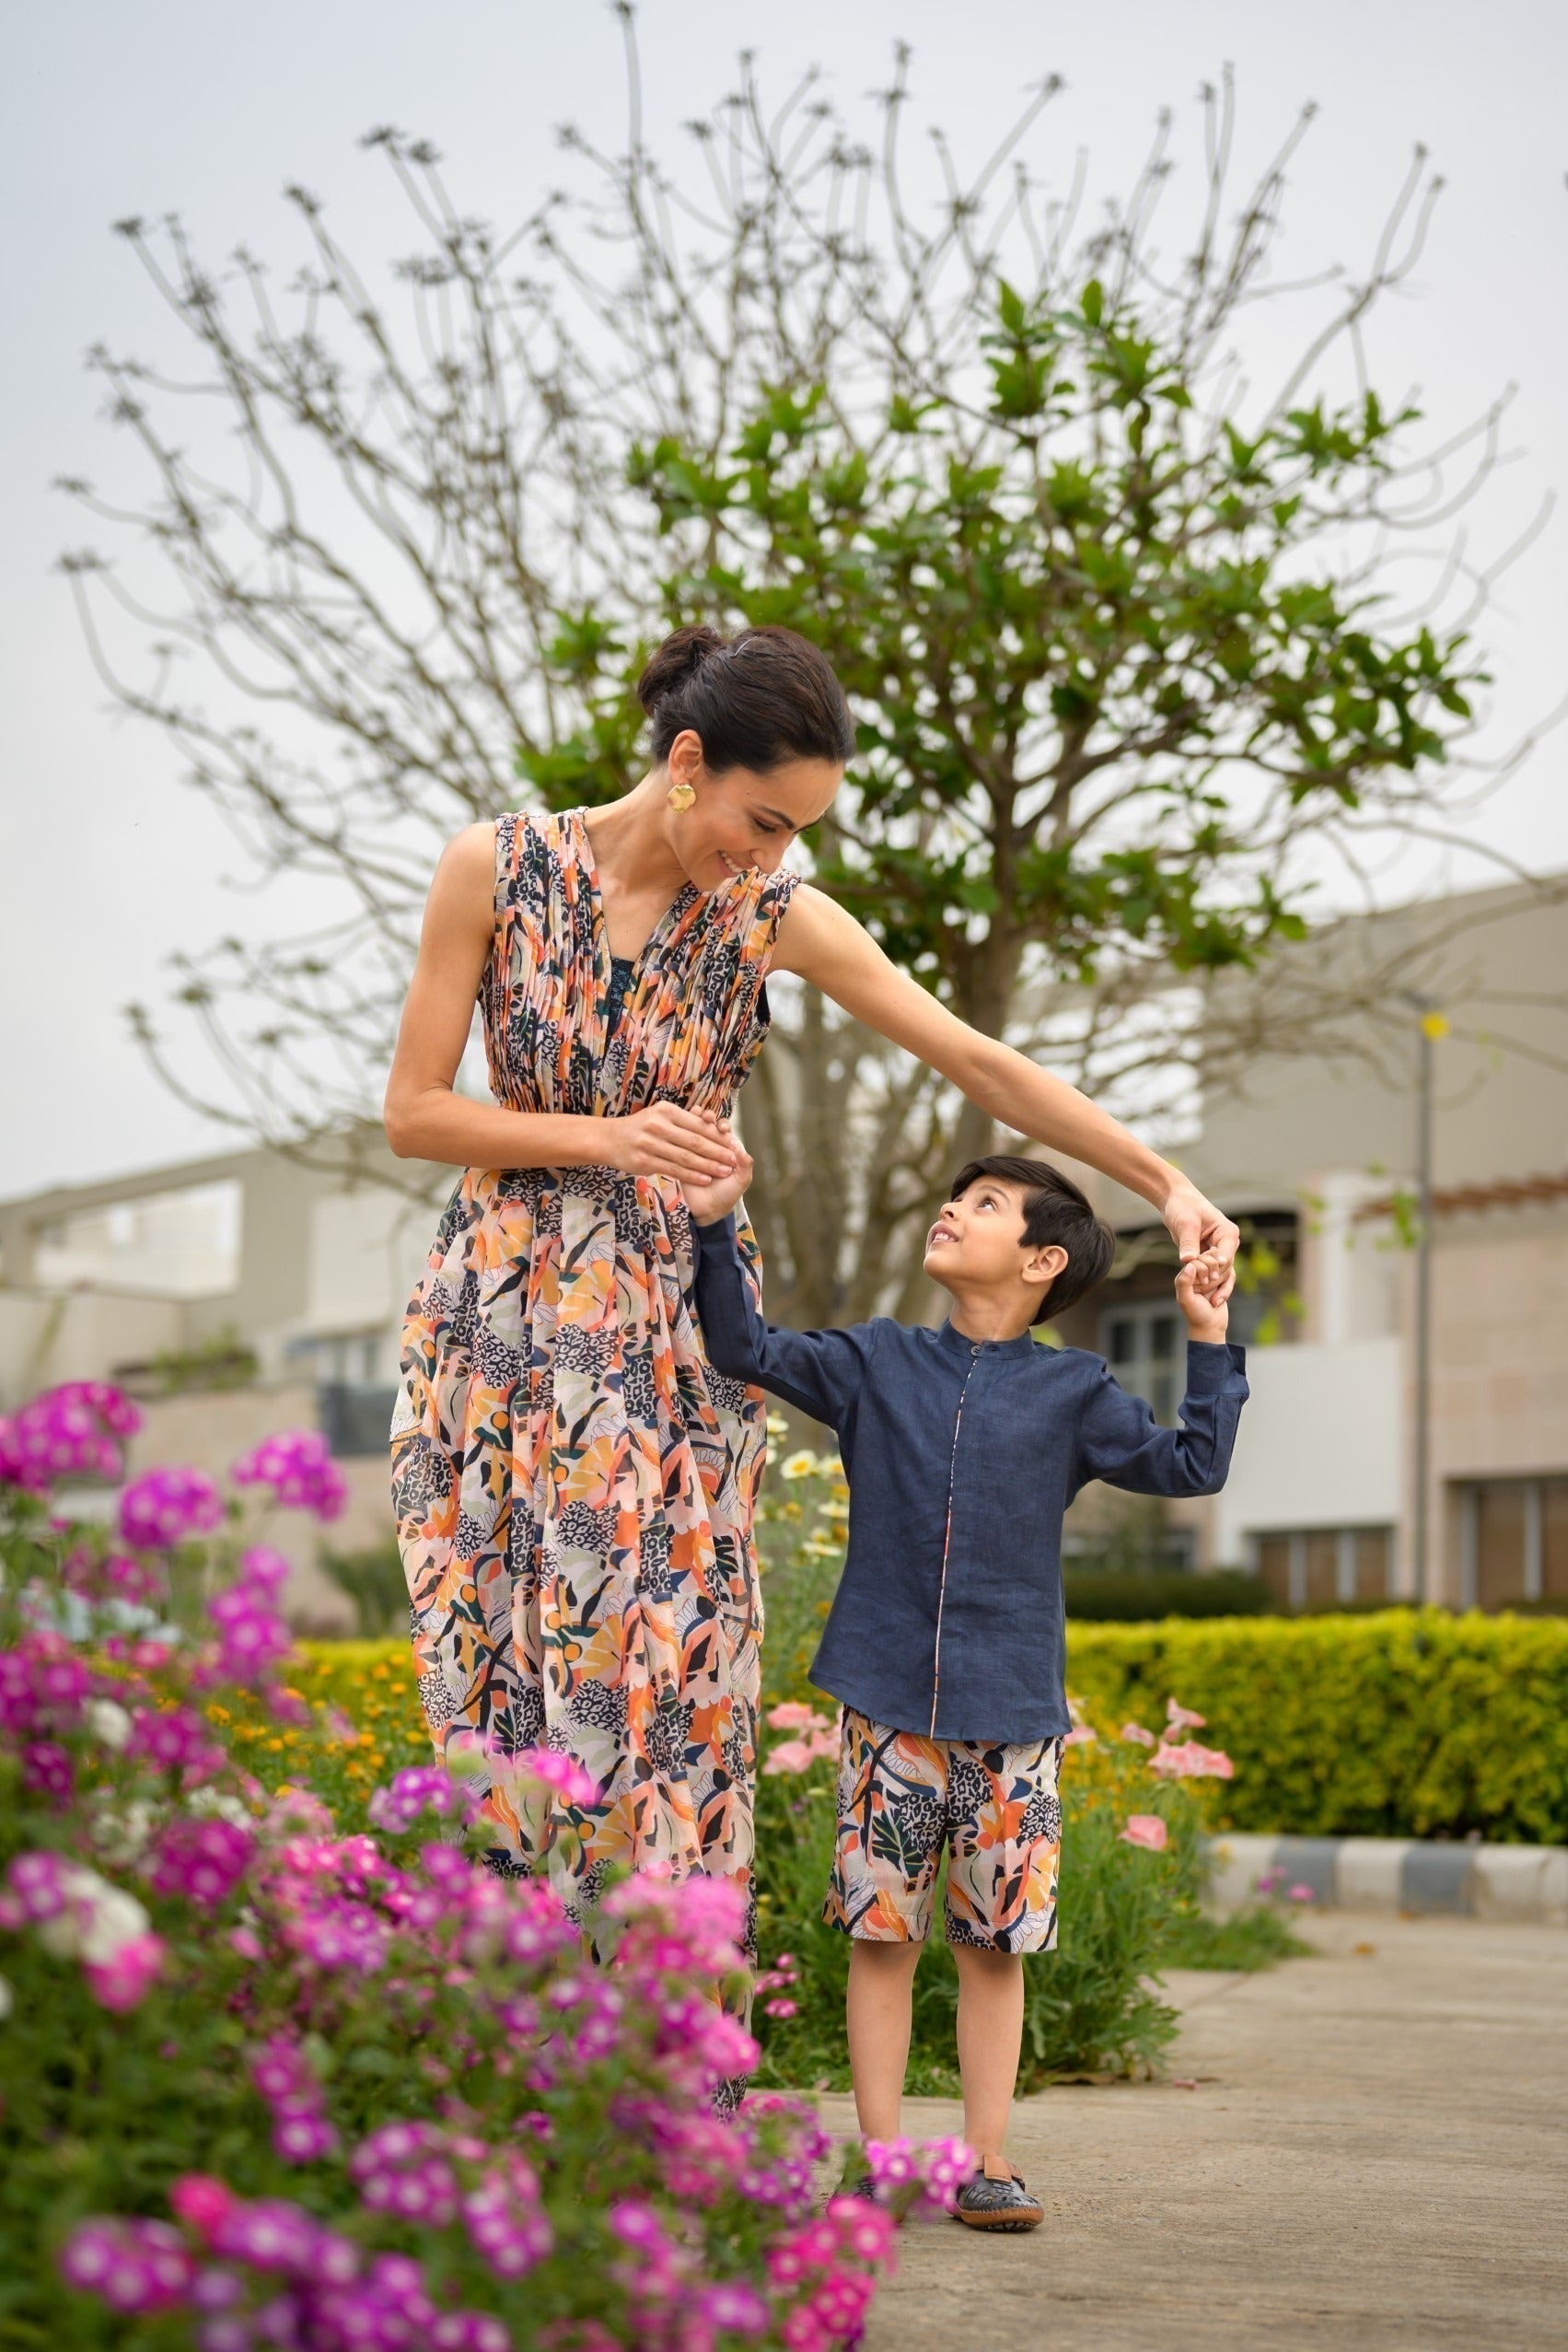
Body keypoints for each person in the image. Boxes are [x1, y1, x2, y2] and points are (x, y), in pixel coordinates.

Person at [381, 620, 1240, 2014]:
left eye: (797, 834)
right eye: (758, 818)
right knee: (493, 1652)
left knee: (666, 1656)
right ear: (684, 761)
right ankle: (502, 2023)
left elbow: (973, 1057)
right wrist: (610, 1139)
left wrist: (1157, 1176)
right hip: (496, 1316)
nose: (766, 854)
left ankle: (657, 2034)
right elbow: (414, 1111)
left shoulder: (773, 918)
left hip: (666, 1322)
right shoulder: (496, 866)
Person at [685, 1146, 1248, 2221]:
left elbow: (1190, 1466)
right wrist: (717, 1223)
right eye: (954, 1196)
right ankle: (884, 2160)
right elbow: (740, 1343)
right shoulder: (876, 1361)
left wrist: (1207, 1336)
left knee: (995, 1949)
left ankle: (985, 2164)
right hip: (882, 1695)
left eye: (982, 1204)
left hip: (1013, 1714)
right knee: (879, 1937)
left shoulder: (1072, 1388)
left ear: (1040, 1260)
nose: (950, 1209)